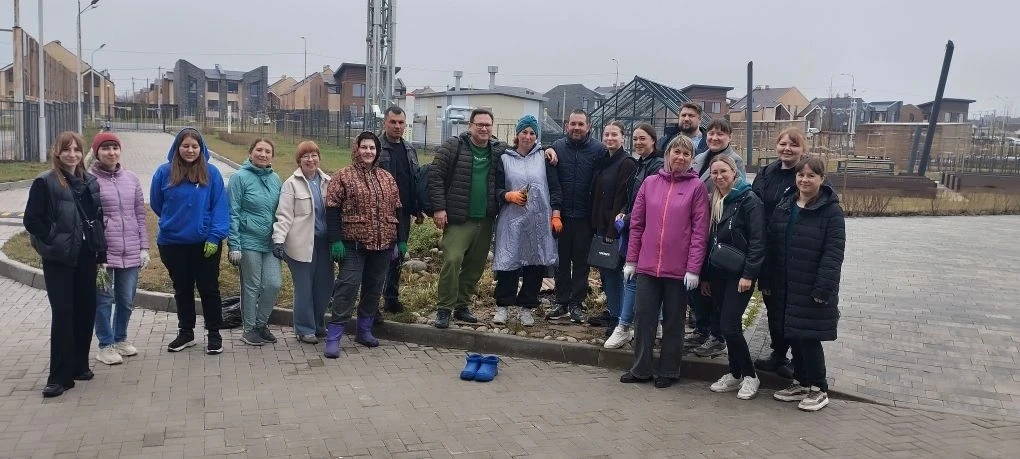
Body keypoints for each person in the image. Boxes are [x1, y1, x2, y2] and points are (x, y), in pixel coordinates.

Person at [619, 135, 709, 389]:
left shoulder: (696, 188)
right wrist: (632, 260)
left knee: (673, 322)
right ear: (667, 154)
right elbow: (637, 225)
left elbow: (699, 232)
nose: (680, 157)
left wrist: (693, 269)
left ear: (692, 159)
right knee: (643, 318)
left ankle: (669, 369)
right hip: (648, 266)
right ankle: (641, 368)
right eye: (676, 152)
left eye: (686, 154)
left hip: (678, 271)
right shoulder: (650, 183)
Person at [24, 131, 107, 398]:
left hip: (86, 255)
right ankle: (59, 377)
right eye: (66, 150)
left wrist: (101, 253)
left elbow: (97, 218)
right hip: (59, 258)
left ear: (83, 153)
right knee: (63, 312)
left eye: (76, 150)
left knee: (86, 310)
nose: (72, 154)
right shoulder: (45, 182)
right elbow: (32, 220)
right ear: (57, 153)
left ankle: (79, 365)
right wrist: (53, 239)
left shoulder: (89, 182)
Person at [762, 156, 845, 412]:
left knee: (809, 338)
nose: (804, 180)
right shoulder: (786, 204)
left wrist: (823, 288)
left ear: (822, 179)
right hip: (785, 284)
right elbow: (772, 244)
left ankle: (819, 388)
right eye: (801, 175)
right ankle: (801, 381)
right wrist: (767, 278)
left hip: (811, 287)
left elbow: (833, 253)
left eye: (811, 176)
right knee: (792, 333)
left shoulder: (831, 211)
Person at [322, 131, 402, 358]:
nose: (368, 151)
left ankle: (364, 330)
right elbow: (332, 208)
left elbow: (397, 208)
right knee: (347, 286)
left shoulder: (386, 177)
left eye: (372, 148)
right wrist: (336, 240)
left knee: (374, 288)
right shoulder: (343, 176)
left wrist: (400, 240)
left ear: (377, 151)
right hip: (352, 244)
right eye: (364, 147)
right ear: (356, 149)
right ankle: (334, 336)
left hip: (383, 244)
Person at [150, 128, 229, 354]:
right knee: (182, 288)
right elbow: (157, 203)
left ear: (201, 149)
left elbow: (220, 207)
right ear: (177, 148)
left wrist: (214, 236)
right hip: (172, 243)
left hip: (204, 243)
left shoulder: (211, 173)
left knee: (209, 288)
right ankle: (186, 332)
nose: (190, 150)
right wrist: (173, 222)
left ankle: (214, 333)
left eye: (195, 146)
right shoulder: (163, 172)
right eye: (185, 146)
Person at [427, 108, 507, 329]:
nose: (483, 128)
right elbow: (435, 176)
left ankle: (461, 306)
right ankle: (444, 308)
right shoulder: (453, 147)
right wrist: (439, 208)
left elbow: (524, 149)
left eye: (487, 125)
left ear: (492, 127)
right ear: (470, 126)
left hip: (485, 219)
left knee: (475, 266)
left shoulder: (498, 150)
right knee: (452, 260)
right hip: (458, 218)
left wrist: (548, 150)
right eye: (479, 124)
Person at [701, 155, 765, 400]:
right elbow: (710, 240)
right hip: (718, 272)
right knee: (726, 324)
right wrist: (705, 276)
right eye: (714, 173)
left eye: (723, 172)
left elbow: (758, 241)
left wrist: (749, 274)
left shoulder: (749, 200)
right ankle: (735, 372)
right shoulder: (715, 199)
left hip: (739, 274)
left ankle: (750, 375)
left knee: (729, 324)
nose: (719, 177)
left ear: (734, 172)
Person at [491, 115, 561, 327]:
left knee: (535, 263)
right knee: (508, 262)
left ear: (536, 136)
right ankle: (503, 306)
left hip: (538, 220)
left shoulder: (544, 158)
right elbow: (495, 188)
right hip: (511, 219)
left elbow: (555, 188)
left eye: (532, 133)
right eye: (524, 132)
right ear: (517, 134)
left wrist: (556, 214)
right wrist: (507, 195)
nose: (528, 137)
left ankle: (527, 308)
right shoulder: (504, 159)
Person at [687, 118, 748, 358]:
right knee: (698, 282)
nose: (714, 138)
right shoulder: (699, 159)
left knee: (714, 285)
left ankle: (716, 335)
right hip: (697, 227)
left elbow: (736, 193)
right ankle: (701, 329)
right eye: (711, 133)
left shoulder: (735, 161)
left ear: (729, 137)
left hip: (718, 228)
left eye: (720, 134)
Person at [752, 127, 809, 379]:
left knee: (793, 307)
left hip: (793, 252)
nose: (787, 149)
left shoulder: (805, 174)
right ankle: (778, 352)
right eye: (783, 144)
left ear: (802, 149)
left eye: (793, 145)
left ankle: (799, 359)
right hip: (768, 251)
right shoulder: (766, 173)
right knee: (773, 304)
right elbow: (754, 203)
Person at [89, 132, 149, 366]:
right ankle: (105, 345)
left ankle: (120, 338)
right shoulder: (89, 180)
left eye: (115, 148)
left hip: (130, 249)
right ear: (97, 152)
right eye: (105, 148)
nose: (111, 153)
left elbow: (139, 215)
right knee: (103, 300)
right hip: (103, 253)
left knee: (126, 299)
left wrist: (144, 247)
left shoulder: (131, 179)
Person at [543, 109, 608, 323]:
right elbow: (553, 181)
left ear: (588, 127)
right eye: (573, 124)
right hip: (561, 215)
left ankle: (576, 303)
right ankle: (561, 301)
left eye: (581, 124)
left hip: (585, 217)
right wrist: (546, 148)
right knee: (561, 262)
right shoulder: (558, 147)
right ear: (566, 126)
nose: (576, 128)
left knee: (581, 262)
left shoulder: (599, 150)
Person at [605, 123, 662, 349]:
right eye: (636, 139)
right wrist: (624, 212)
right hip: (635, 226)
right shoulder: (640, 164)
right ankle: (648, 324)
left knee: (635, 278)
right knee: (637, 277)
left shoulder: (657, 166)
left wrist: (628, 218)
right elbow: (633, 197)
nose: (638, 142)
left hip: (646, 230)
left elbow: (650, 201)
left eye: (643, 139)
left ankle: (625, 326)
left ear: (653, 141)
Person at [273, 141, 334, 344]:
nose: (310, 159)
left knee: (324, 287)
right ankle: (304, 329)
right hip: (300, 245)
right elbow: (284, 215)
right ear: (299, 160)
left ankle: (318, 324)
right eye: (305, 156)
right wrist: (278, 240)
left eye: (314, 155)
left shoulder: (328, 181)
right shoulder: (291, 184)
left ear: (319, 158)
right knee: (304, 288)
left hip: (324, 245)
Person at [228, 138, 283, 346]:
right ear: (250, 153)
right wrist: (234, 244)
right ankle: (249, 329)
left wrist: (281, 238)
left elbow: (281, 211)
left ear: (272, 156)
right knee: (252, 286)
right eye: (259, 150)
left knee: (273, 283)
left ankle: (261, 324)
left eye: (267, 151)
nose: (263, 154)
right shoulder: (239, 178)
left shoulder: (275, 179)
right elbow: (232, 212)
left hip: (270, 242)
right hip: (248, 240)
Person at [589, 121, 636, 336]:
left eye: (614, 135)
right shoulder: (604, 161)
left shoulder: (626, 163)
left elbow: (621, 197)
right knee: (606, 273)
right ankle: (613, 311)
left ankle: (619, 319)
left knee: (614, 274)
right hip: (600, 225)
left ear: (623, 137)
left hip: (613, 229)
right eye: (606, 134)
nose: (609, 138)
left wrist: (611, 231)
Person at [377, 106, 423, 316]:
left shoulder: (409, 149)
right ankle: (369, 301)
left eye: (401, 122)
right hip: (381, 213)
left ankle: (391, 299)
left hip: (403, 213)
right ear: (385, 123)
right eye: (393, 122)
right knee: (378, 258)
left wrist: (417, 208)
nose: (397, 126)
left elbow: (414, 180)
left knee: (398, 255)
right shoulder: (375, 147)